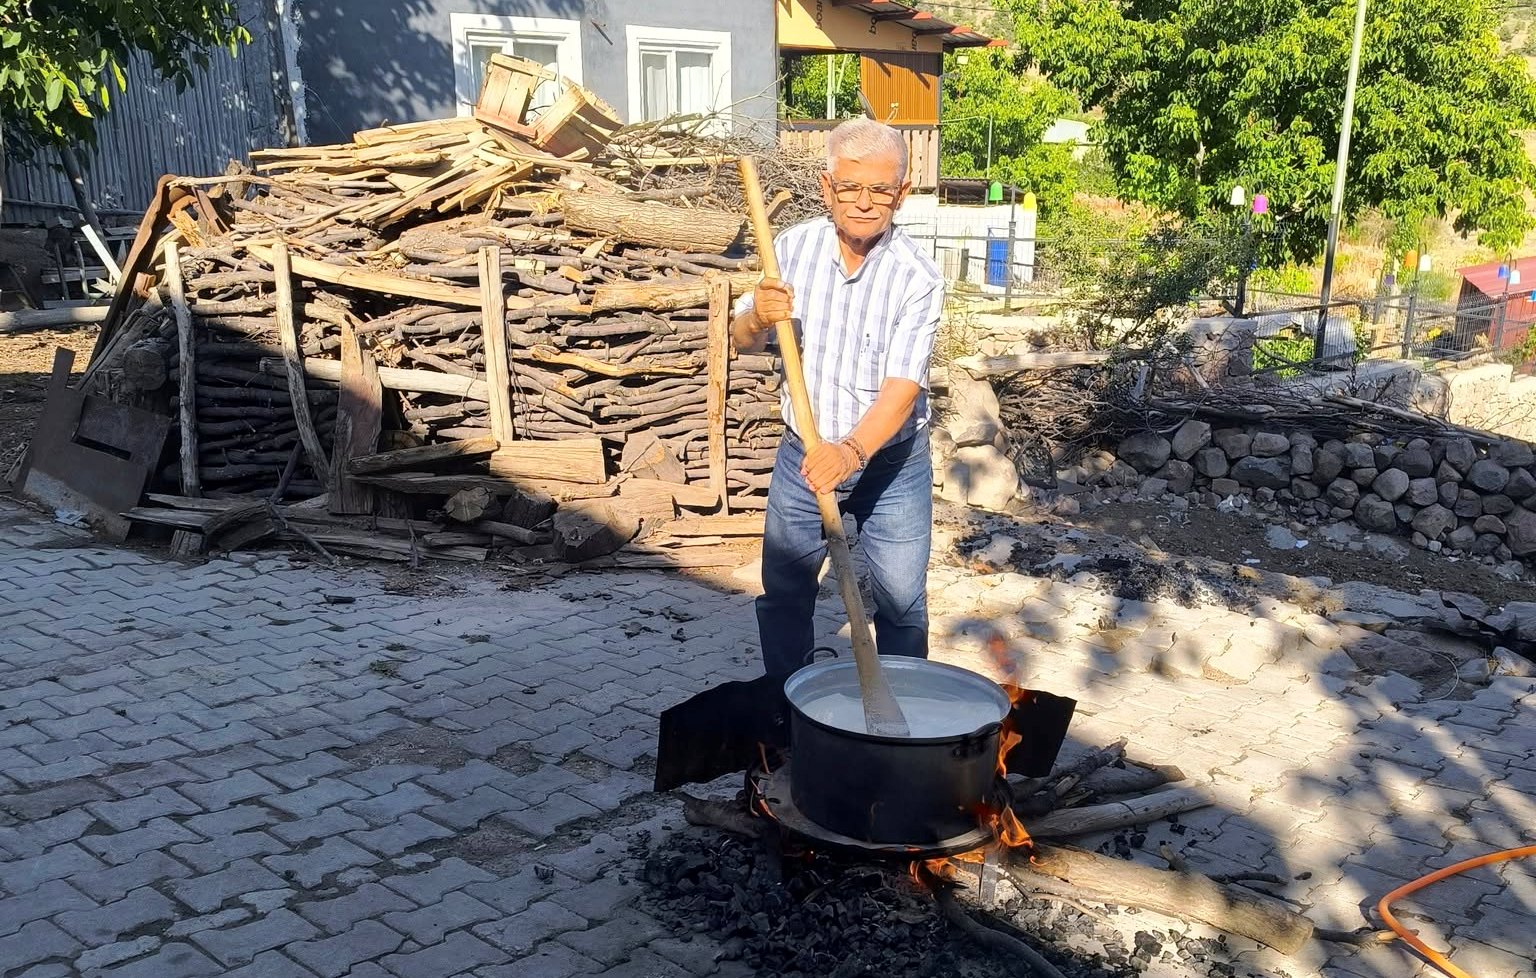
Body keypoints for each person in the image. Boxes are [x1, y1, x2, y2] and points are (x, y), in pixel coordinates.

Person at [731, 117, 945, 679]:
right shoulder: (791, 251)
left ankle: (902, 726)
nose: (865, 203)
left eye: (880, 190)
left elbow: (903, 390)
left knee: (900, 604)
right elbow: (742, 340)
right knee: (784, 590)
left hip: (891, 464)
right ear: (827, 187)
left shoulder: (917, 277)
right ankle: (788, 711)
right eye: (850, 187)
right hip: (804, 453)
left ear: (901, 193)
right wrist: (758, 314)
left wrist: (849, 454)